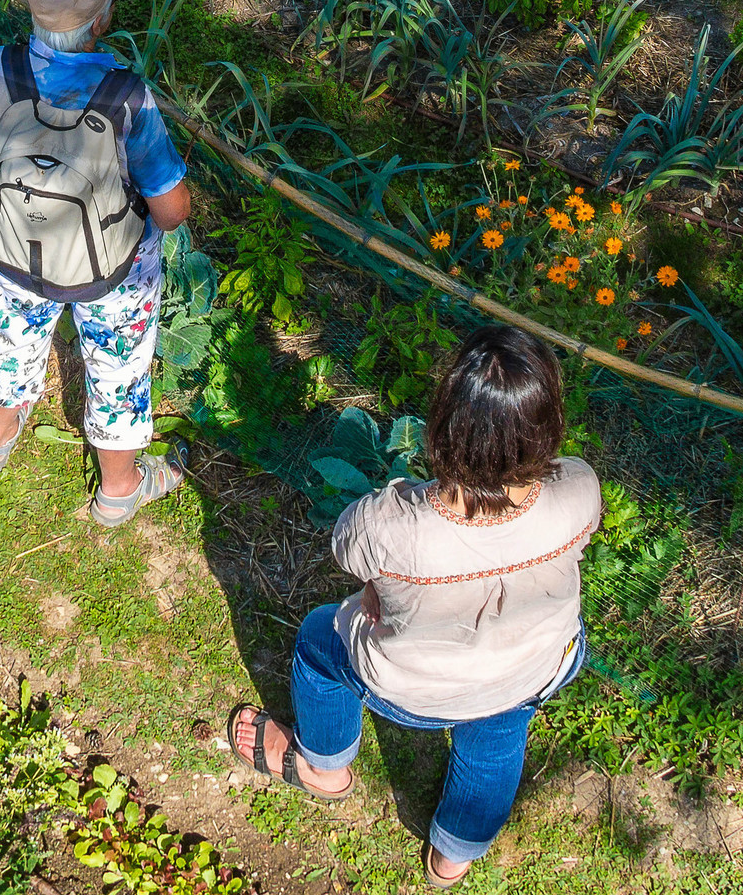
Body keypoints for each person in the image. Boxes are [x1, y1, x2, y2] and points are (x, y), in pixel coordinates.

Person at [227, 325, 599, 884]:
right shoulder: (579, 489)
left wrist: (379, 589)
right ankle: (455, 855)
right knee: (497, 734)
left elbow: (346, 549)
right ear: (546, 430)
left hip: (411, 689)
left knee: (318, 641)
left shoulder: (392, 524)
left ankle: (324, 768)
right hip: (535, 668)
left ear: (442, 429)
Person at [0, 0, 192, 526]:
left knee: (11, 341)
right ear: (100, 19)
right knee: (118, 371)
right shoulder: (127, 96)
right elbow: (171, 210)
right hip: (110, 273)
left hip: (11, 255)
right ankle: (118, 491)